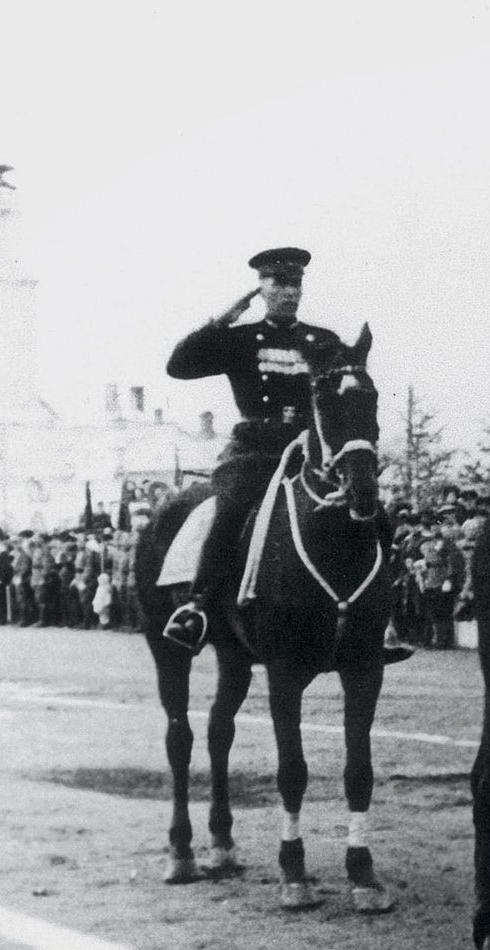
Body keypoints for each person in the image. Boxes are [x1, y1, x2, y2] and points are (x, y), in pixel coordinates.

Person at [161, 247, 410, 661]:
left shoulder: (323, 341)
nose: (290, 292)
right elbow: (179, 366)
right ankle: (197, 607)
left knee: (376, 517)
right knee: (230, 512)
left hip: (309, 452)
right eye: (279, 284)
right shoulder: (238, 339)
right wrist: (224, 318)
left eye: (296, 284)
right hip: (254, 452)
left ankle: (381, 618)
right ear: (261, 287)